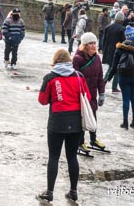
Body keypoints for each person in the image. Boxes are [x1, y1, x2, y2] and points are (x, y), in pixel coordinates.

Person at [37, 49, 88, 203]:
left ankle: (50, 192)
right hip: (76, 121)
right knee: (72, 157)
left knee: (54, 157)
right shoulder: (79, 76)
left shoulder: (50, 77)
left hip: (57, 121)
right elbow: (87, 96)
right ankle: (73, 191)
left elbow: (42, 100)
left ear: (55, 61)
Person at [104, 26, 134, 129]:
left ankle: (125, 123)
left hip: (123, 77)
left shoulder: (119, 49)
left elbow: (114, 66)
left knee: (125, 99)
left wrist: (108, 78)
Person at [73, 32, 106, 153]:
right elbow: (74, 78)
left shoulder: (97, 58)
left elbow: (100, 77)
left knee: (93, 117)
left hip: (92, 94)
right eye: (90, 43)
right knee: (82, 119)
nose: (93, 46)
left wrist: (102, 92)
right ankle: (80, 142)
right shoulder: (77, 59)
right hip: (81, 95)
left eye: (94, 43)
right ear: (85, 45)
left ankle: (93, 139)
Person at [102, 12, 126, 93]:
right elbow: (124, 42)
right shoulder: (122, 29)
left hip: (108, 51)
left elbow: (104, 40)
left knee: (114, 68)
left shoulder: (108, 27)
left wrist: (102, 49)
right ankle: (104, 83)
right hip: (117, 52)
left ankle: (113, 86)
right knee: (113, 68)